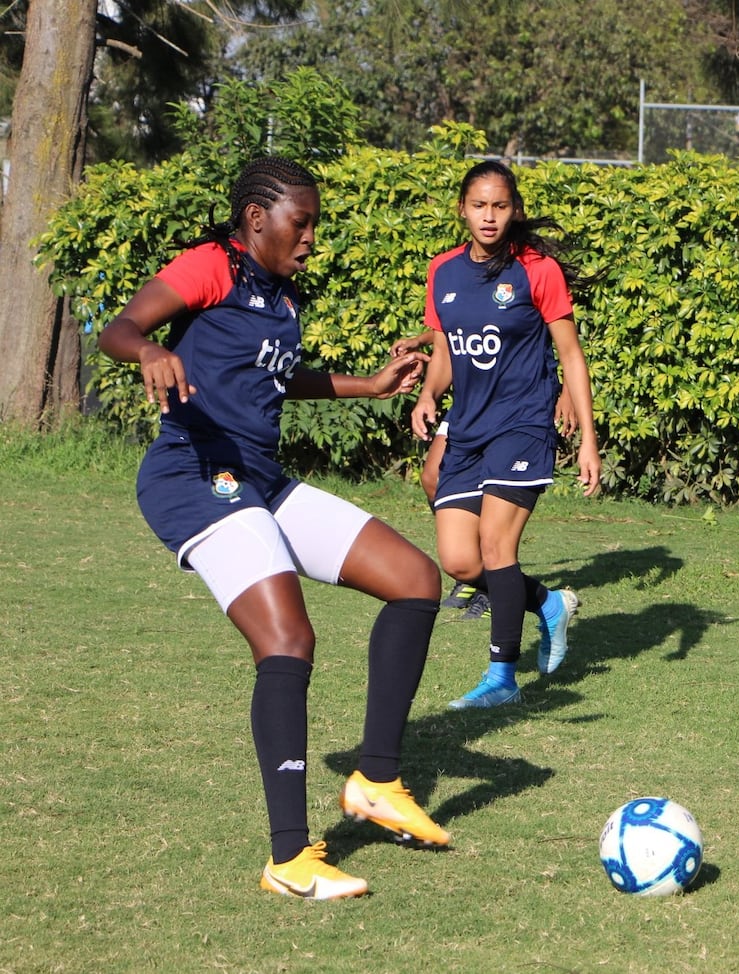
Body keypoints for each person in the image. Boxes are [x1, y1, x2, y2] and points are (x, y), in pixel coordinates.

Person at [98, 156, 451, 901]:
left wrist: (368, 384)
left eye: (315, 223)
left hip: (261, 479)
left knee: (416, 579)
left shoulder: (283, 296)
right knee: (288, 639)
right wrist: (151, 348)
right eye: (303, 221)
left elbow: (276, 378)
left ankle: (376, 781)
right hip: (196, 476)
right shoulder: (212, 265)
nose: (312, 236)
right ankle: (290, 858)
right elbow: (118, 328)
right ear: (257, 219)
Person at [409, 160, 601, 709]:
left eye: (499, 206)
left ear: (514, 210)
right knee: (460, 562)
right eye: (479, 205)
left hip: (523, 423)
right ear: (462, 210)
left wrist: (588, 441)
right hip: (468, 427)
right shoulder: (443, 271)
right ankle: (547, 603)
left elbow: (571, 355)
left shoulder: (538, 269)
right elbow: (445, 351)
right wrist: (428, 393)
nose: (489, 216)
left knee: (497, 546)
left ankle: (502, 679)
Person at [389, 331, 579, 621]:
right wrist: (422, 341)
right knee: (432, 478)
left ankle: (490, 583)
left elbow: (562, 339)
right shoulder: (447, 299)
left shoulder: (534, 298)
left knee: (495, 515)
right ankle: (475, 571)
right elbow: (455, 326)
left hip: (515, 404)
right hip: (471, 399)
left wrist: (567, 394)